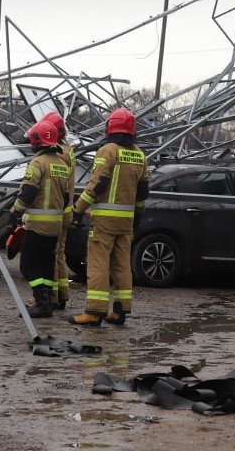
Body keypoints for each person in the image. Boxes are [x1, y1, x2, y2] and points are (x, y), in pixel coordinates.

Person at [68, 108, 149, 326]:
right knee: (122, 264)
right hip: (127, 220)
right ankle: (120, 311)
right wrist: (137, 216)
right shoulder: (139, 155)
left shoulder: (108, 151)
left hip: (104, 220)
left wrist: (78, 208)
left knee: (98, 263)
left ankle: (94, 312)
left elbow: (97, 184)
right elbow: (142, 192)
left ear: (110, 127)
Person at [9, 119, 71, 318]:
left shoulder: (37, 162)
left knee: (27, 266)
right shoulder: (62, 163)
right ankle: (44, 303)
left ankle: (42, 301)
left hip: (38, 225)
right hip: (55, 226)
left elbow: (28, 191)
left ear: (36, 141)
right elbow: (67, 196)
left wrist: (15, 211)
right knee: (45, 265)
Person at [41, 111, 75, 310]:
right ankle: (62, 294)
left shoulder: (57, 152)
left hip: (54, 209)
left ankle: (52, 296)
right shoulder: (69, 150)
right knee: (59, 252)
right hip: (66, 209)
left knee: (51, 254)